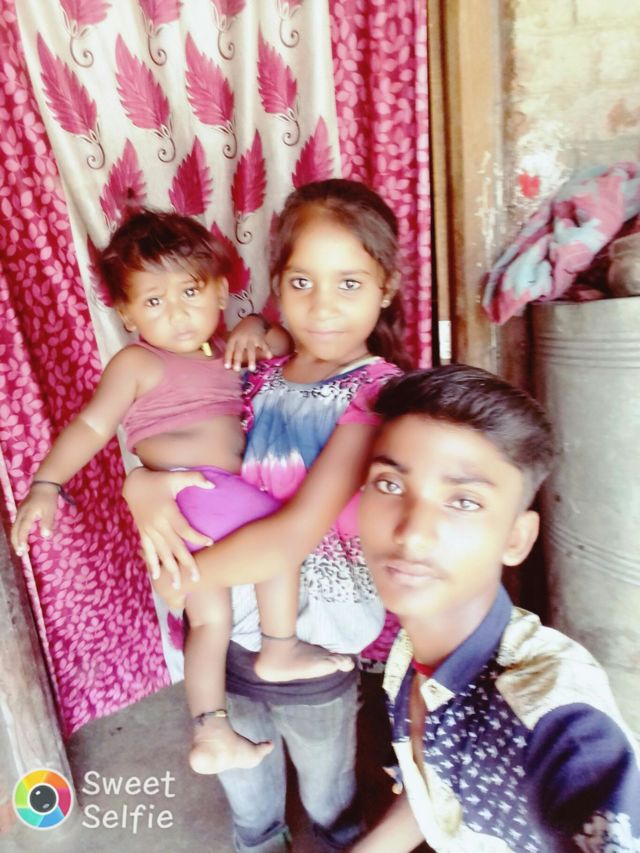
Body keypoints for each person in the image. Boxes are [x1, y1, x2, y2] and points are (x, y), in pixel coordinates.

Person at [122, 179, 412, 852]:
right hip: (227, 636)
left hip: (314, 641)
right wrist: (140, 481)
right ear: (276, 282)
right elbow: (194, 453)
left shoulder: (377, 394)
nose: (322, 306)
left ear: (386, 288)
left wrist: (185, 576)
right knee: (248, 799)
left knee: (329, 795)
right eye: (302, 282)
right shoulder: (255, 372)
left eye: (349, 283)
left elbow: (290, 537)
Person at [9, 209, 310, 777]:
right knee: (287, 534)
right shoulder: (139, 362)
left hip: (194, 510)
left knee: (210, 622)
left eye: (190, 292)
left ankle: (211, 730)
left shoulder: (229, 349)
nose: (176, 312)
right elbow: (92, 425)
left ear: (219, 292)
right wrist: (47, 482)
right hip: (201, 492)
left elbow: (284, 340)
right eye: (153, 301)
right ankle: (280, 646)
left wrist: (254, 326)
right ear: (126, 314)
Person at [352, 365, 640, 852]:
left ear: (516, 538)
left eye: (464, 501)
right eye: (390, 485)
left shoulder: (549, 716)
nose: (412, 534)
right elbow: (437, 789)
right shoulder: (406, 654)